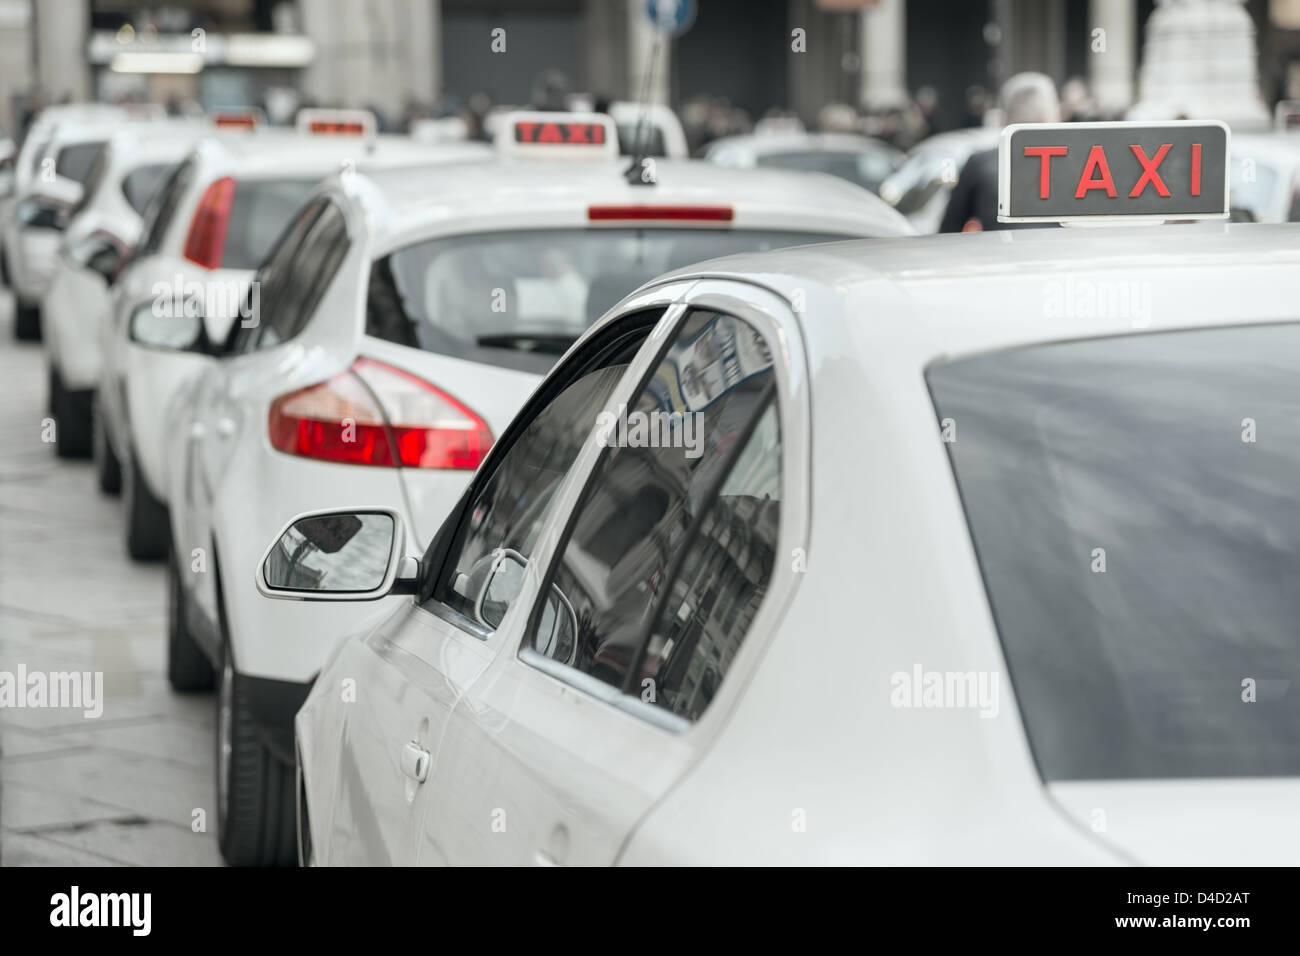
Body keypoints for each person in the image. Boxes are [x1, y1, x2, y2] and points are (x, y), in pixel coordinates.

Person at [939, 72, 1060, 233]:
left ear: (1004, 119)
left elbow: (948, 232)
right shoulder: (1079, 166)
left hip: (1000, 256)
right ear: (1050, 117)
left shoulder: (979, 164)